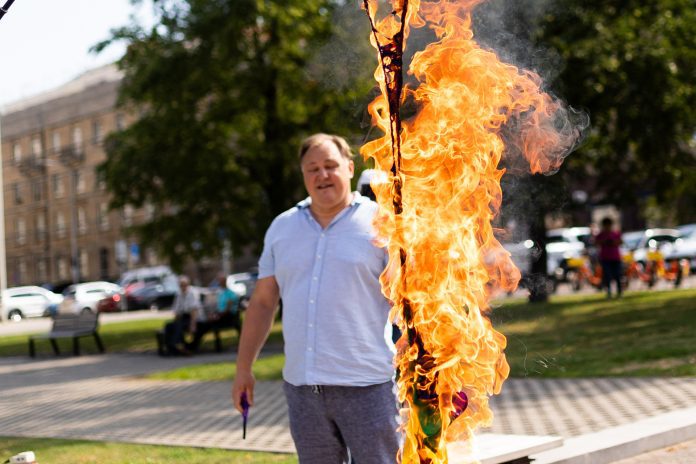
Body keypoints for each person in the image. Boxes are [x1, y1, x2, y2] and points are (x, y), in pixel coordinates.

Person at [231, 133, 400, 463]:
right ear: (303, 175)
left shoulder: (382, 224)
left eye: (330, 166)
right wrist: (243, 369)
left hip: (367, 385)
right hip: (303, 390)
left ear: (350, 168)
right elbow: (264, 302)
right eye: (313, 168)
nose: (322, 175)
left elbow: (408, 298)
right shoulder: (282, 228)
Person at [187, 274, 241, 352]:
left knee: (206, 325)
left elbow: (227, 309)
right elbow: (218, 308)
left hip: (228, 317)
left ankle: (193, 346)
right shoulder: (221, 293)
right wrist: (213, 314)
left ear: (225, 282)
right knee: (201, 325)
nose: (219, 283)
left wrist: (216, 316)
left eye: (220, 281)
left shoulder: (230, 293)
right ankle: (193, 345)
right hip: (220, 316)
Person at [163, 276, 201, 355]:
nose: (183, 287)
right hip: (183, 317)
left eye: (185, 285)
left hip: (192, 317)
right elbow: (176, 310)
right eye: (181, 285)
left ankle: (179, 346)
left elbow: (194, 310)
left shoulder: (192, 293)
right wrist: (176, 318)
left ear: (188, 284)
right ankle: (170, 347)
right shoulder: (179, 294)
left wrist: (193, 324)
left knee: (179, 326)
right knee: (168, 326)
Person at [595, 217, 623, 298]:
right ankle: (609, 292)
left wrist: (613, 242)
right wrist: (605, 241)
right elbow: (596, 242)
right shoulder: (601, 235)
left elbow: (620, 242)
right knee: (607, 276)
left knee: (618, 275)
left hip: (615, 257)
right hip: (605, 258)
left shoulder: (615, 234)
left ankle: (619, 292)